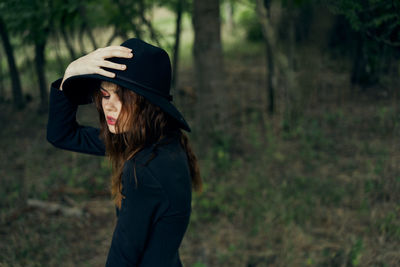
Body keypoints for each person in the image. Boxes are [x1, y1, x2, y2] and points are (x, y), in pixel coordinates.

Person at [46, 38, 203, 266]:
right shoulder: (156, 138)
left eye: (124, 96)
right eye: (105, 94)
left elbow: (123, 257)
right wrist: (69, 75)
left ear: (147, 103)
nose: (109, 105)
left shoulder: (145, 167)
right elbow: (61, 135)